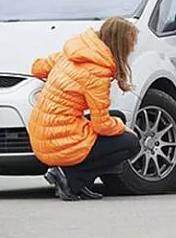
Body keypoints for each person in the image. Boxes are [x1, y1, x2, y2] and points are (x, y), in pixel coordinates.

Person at [28, 16, 142, 201]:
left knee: (117, 116)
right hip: (58, 139)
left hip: (41, 130)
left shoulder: (75, 51)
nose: (132, 49)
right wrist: (123, 127)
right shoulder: (97, 72)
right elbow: (101, 125)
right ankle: (72, 178)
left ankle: (74, 179)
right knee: (130, 143)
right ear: (120, 45)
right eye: (131, 45)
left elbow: (37, 68)